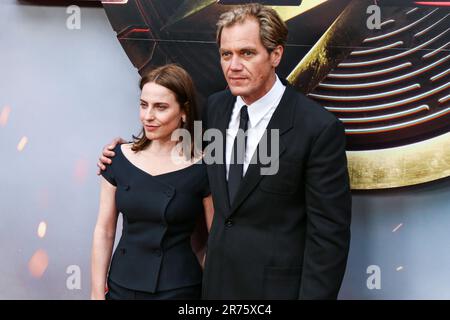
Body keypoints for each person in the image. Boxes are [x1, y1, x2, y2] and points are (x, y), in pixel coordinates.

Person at [99, 3, 351, 300]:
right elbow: (174, 152)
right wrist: (122, 152)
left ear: (276, 55)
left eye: (247, 53)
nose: (233, 66)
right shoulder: (216, 108)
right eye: (226, 54)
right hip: (213, 287)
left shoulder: (317, 129)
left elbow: (329, 238)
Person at [91, 64, 214, 300]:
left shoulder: (204, 167)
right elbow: (104, 230)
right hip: (121, 286)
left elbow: (215, 240)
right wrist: (96, 293)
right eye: (143, 104)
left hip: (180, 289)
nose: (148, 116)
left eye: (160, 107)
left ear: (184, 111)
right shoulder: (117, 158)